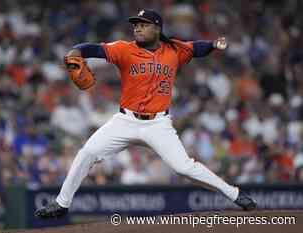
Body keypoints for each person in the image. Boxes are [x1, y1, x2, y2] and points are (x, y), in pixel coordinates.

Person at [35, 9, 256, 219]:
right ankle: (62, 203)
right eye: (136, 25)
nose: (137, 29)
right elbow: (92, 49)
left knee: (184, 167)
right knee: (87, 153)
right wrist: (76, 51)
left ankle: (234, 194)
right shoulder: (124, 49)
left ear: (157, 29)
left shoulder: (174, 49)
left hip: (158, 124)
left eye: (143, 25)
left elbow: (195, 48)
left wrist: (213, 45)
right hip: (125, 120)